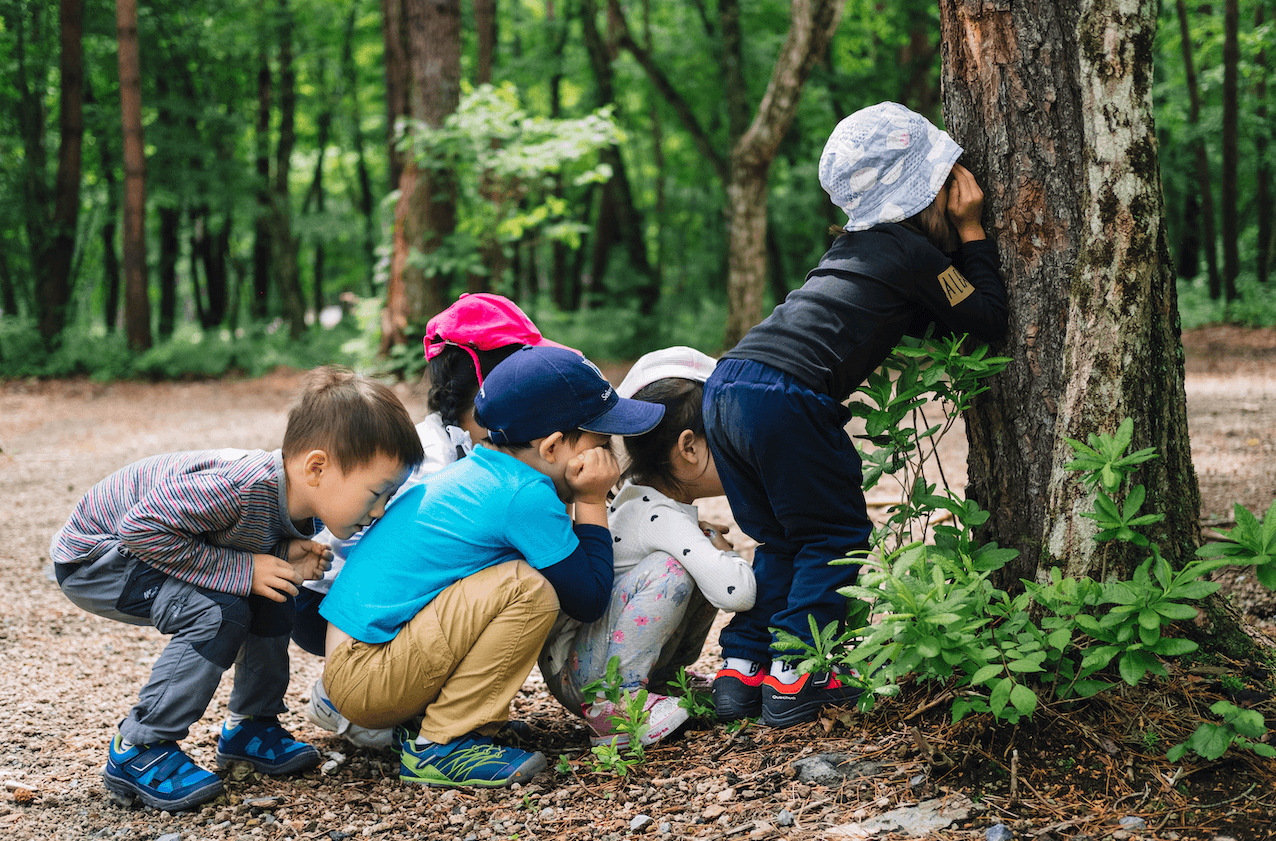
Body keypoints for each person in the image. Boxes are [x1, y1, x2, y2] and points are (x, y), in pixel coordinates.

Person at [705, 101, 1009, 728]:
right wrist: (974, 233)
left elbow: (914, 318)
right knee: (833, 537)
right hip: (788, 395)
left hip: (728, 384)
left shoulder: (855, 248)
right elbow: (986, 321)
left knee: (785, 539)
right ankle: (799, 678)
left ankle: (742, 671)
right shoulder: (914, 254)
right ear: (930, 188)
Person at [50, 367, 425, 811]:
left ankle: (250, 726)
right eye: (377, 493)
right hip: (99, 558)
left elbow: (227, 536)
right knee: (217, 610)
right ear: (317, 467)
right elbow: (141, 530)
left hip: (149, 547)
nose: (380, 510)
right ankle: (139, 746)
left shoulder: (300, 501)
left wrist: (282, 552)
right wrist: (245, 569)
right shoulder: (239, 488)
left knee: (274, 592)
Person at [318, 346, 665, 788]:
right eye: (600, 443)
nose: (609, 457)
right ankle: (444, 743)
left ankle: (447, 722)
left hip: (363, 664)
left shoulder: (488, 472)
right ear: (553, 446)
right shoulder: (524, 495)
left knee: (518, 577)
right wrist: (592, 500)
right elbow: (589, 598)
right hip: (366, 675)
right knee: (528, 588)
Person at [298, 293, 570, 749]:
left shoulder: (475, 447)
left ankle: (420, 707)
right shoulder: (431, 466)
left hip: (369, 612)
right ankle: (415, 723)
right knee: (518, 581)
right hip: (342, 612)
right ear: (494, 381)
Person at [538, 347, 756, 748]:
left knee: (694, 565)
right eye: (727, 440)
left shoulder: (644, 501)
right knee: (678, 569)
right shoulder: (660, 516)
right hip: (581, 671)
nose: (740, 454)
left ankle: (661, 680)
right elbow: (736, 592)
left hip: (585, 657)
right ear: (689, 447)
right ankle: (617, 703)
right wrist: (725, 553)